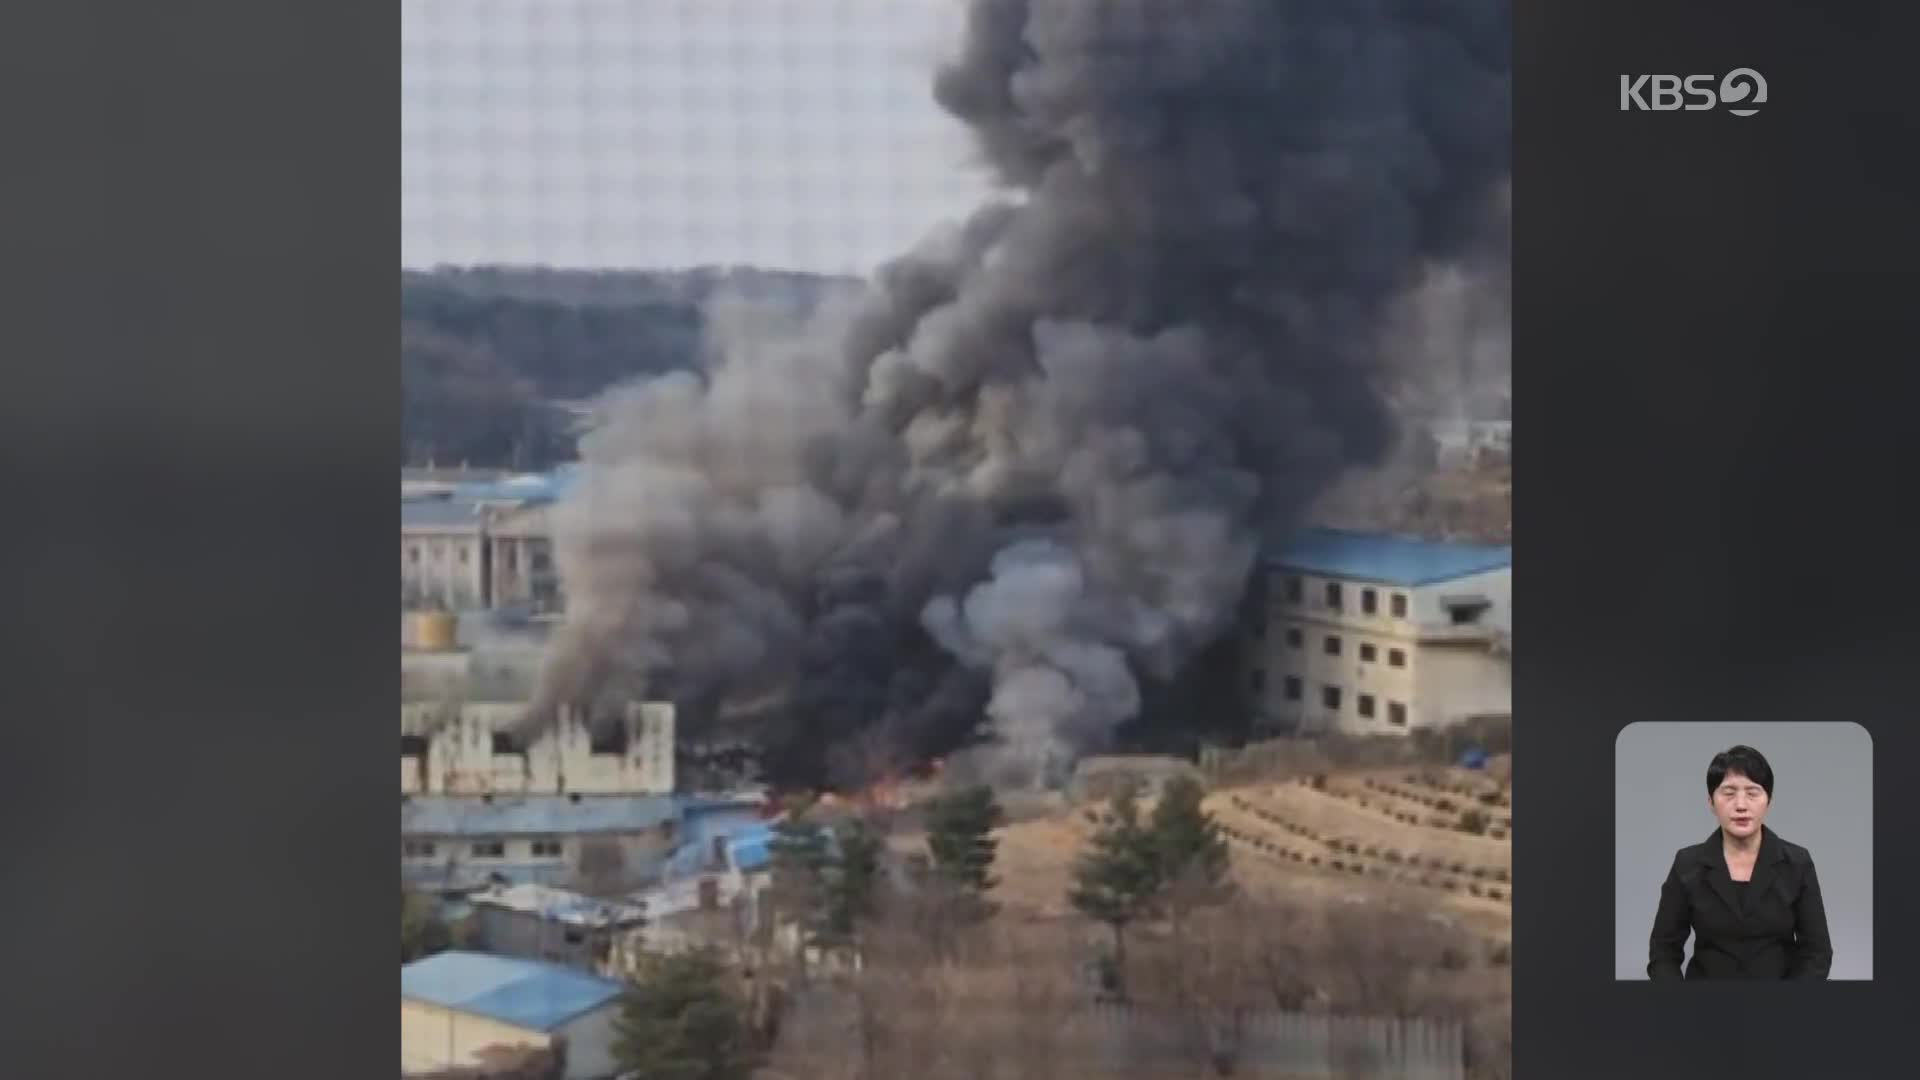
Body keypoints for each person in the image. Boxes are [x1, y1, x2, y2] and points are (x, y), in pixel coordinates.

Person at [1646, 745, 1832, 979]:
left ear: (1769, 800)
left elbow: (1817, 952)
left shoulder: (1797, 863)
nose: (1741, 805)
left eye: (1752, 793)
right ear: (1711, 802)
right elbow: (1663, 951)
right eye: (1729, 793)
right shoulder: (1687, 864)